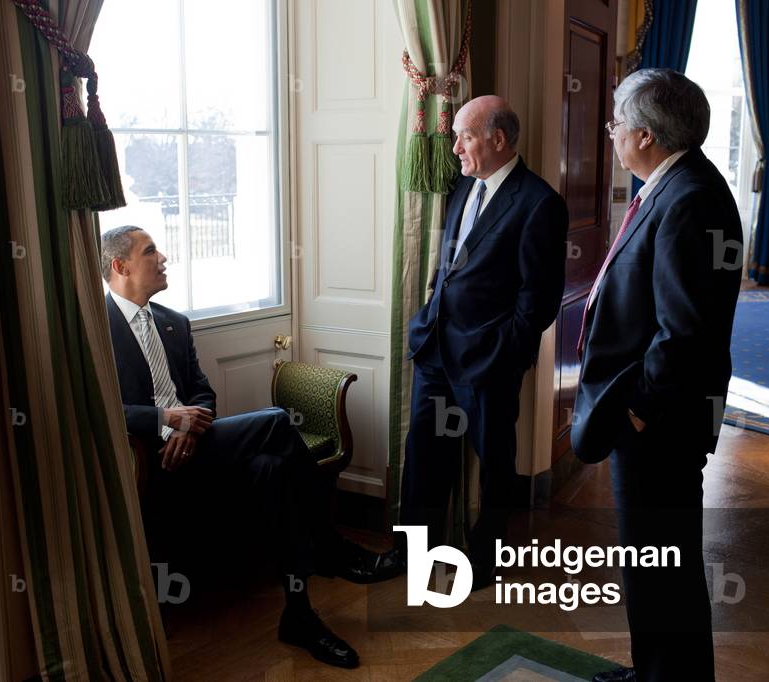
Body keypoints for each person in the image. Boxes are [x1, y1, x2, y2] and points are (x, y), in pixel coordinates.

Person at [101, 225, 386, 669]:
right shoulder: (94, 333)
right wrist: (165, 419)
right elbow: (98, 408)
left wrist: (189, 427)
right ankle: (328, 545)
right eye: (150, 251)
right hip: (150, 462)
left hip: (195, 446)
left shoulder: (173, 323)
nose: (163, 258)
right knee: (275, 423)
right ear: (120, 266)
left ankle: (299, 615)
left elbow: (202, 393)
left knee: (273, 467)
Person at [572, 68, 743, 682]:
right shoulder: (675, 186)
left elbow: (685, 332)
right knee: (653, 564)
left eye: (617, 122)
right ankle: (657, 673)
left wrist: (638, 410)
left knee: (659, 564)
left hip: (659, 422)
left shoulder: (691, 198)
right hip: (654, 418)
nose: (611, 131)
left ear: (644, 135)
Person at [380, 95, 569, 588]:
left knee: (495, 464)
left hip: (489, 362)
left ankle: (485, 556)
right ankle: (409, 553)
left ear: (497, 140)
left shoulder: (539, 203)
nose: (455, 145)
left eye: (464, 135)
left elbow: (539, 301)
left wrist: (504, 354)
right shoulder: (467, 188)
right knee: (423, 455)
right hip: (436, 352)